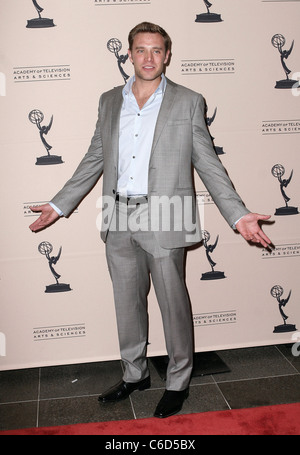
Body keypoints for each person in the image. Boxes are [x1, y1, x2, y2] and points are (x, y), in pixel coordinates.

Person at [29, 22, 272, 418]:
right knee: (127, 304)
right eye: (140, 50)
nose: (148, 58)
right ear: (129, 54)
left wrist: (237, 214)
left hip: (165, 215)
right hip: (116, 214)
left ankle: (178, 381)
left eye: (156, 50)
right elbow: (94, 158)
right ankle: (134, 373)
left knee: (172, 304)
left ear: (167, 55)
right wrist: (58, 205)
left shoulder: (189, 100)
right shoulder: (109, 100)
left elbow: (209, 164)